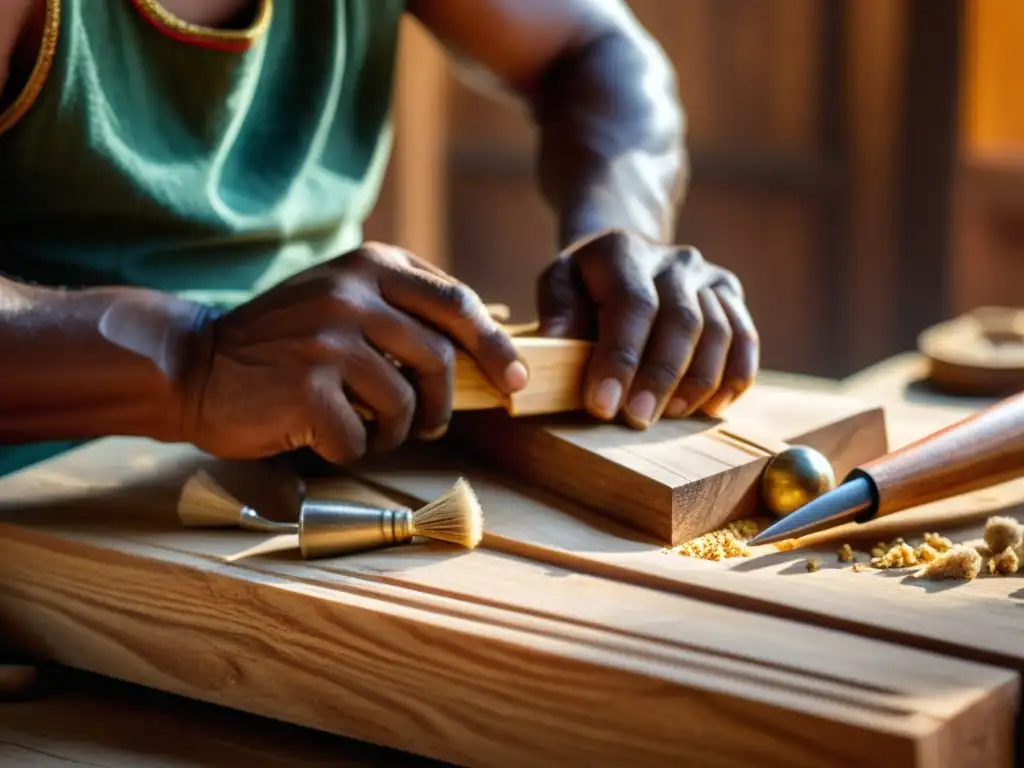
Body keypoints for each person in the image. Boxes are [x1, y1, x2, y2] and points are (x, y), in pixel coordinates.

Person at [0, 0, 760, 473]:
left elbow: (595, 48)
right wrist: (190, 361)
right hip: (46, 496)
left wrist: (620, 228)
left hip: (322, 450)